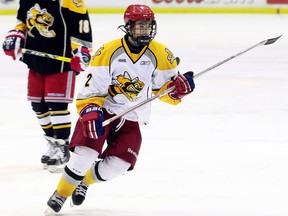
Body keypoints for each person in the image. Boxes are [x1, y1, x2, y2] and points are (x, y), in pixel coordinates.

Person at [44, 4, 195, 215]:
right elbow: (91, 90)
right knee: (84, 154)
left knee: (119, 166)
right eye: (140, 26)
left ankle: (83, 182)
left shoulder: (161, 53)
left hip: (131, 115)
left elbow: (165, 91)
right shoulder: (108, 51)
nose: (145, 30)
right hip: (103, 111)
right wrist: (89, 111)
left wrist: (178, 90)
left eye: (148, 25)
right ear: (128, 26)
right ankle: (60, 194)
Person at [2, 0, 93, 173]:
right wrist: (17, 35)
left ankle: (62, 146)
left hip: (61, 63)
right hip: (35, 60)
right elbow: (22, 20)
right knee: (38, 105)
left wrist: (81, 50)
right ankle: (52, 142)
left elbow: (81, 27)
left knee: (57, 106)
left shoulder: (70, 2)